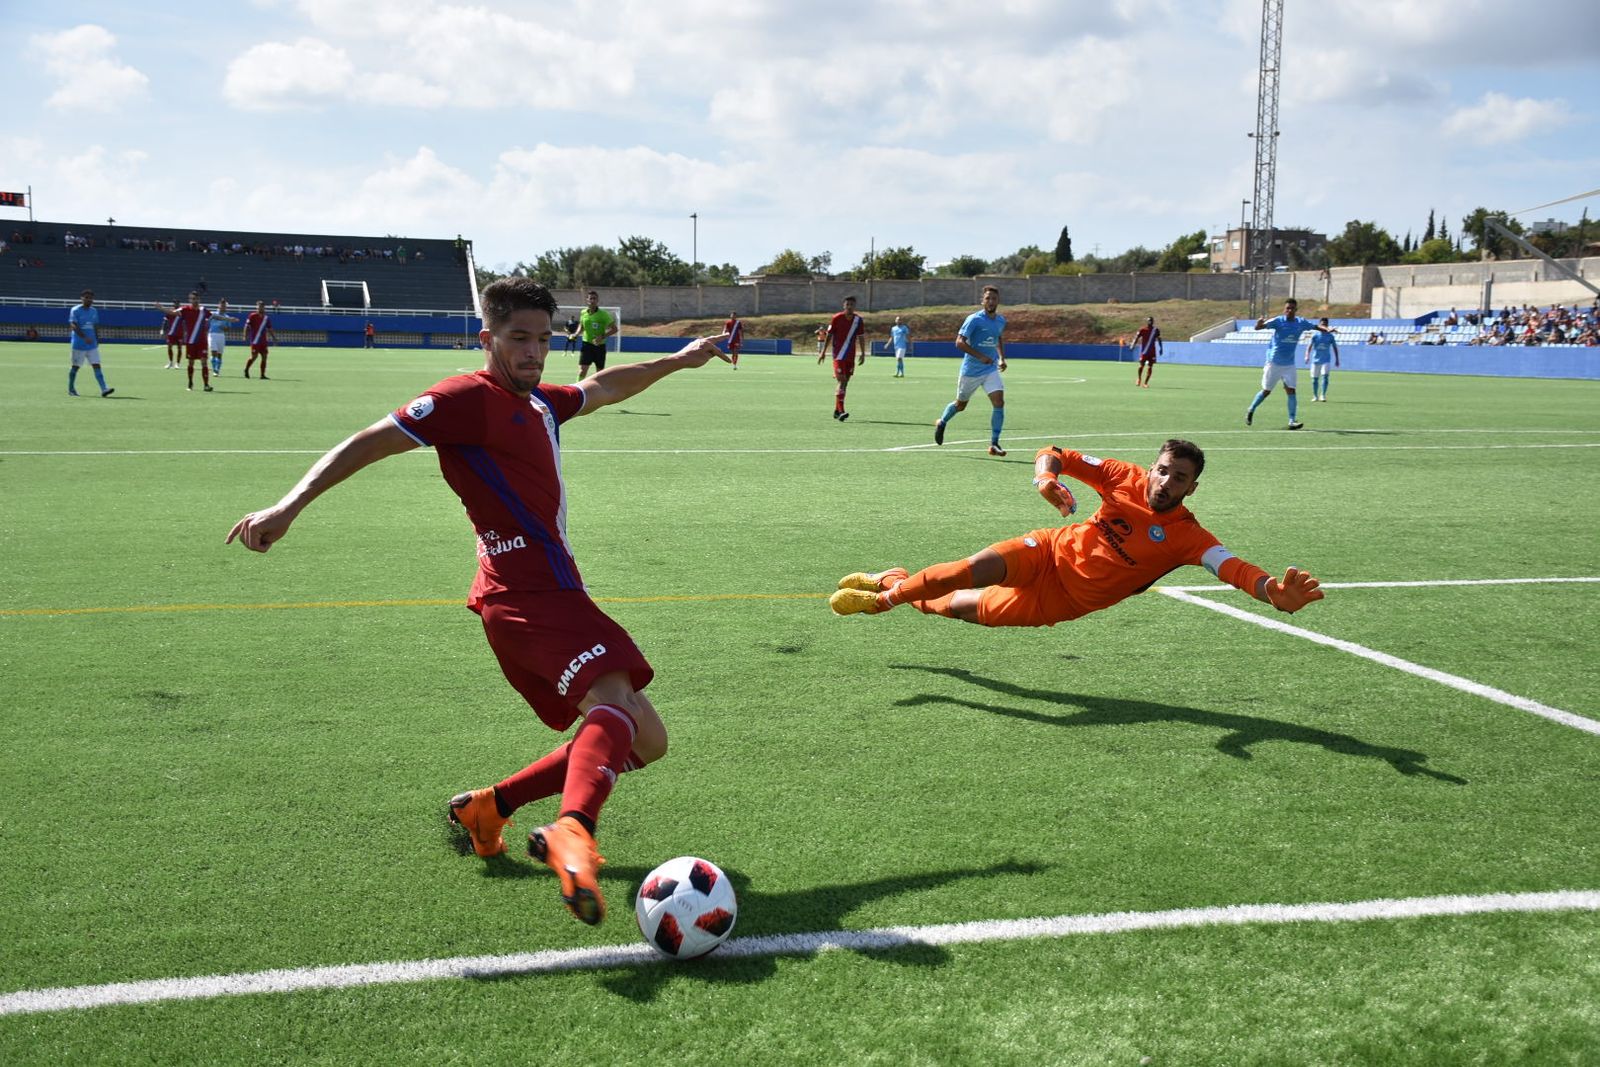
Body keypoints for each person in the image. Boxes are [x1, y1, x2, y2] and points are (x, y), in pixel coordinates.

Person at [225, 277, 731, 928]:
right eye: (518, 338)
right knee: (613, 699)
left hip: (535, 591)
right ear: (487, 338)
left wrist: (680, 360)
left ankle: (489, 807)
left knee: (645, 739)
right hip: (526, 590)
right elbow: (371, 439)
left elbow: (605, 386)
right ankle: (574, 828)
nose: (533, 351)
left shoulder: (539, 402)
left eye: (543, 339)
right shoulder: (464, 398)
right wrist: (288, 506)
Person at [829, 439, 1323, 628]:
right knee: (969, 569)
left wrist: (1271, 592)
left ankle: (895, 580)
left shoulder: (1188, 537)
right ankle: (881, 602)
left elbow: (1232, 568)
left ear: (1191, 488)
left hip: (1062, 601)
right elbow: (1055, 453)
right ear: (1151, 468)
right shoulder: (1123, 476)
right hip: (1048, 551)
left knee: (955, 606)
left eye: (1179, 478)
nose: (1166, 482)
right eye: (1163, 470)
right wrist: (1045, 479)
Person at [934, 285, 1008, 455]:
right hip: (971, 371)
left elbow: (997, 338)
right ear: (982, 301)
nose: (991, 301)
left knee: (999, 402)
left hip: (990, 369)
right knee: (960, 405)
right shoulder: (974, 319)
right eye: (988, 298)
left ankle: (994, 444)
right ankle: (942, 422)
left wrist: (1001, 358)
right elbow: (959, 342)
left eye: (994, 298)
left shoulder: (1001, 321)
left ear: (998, 301)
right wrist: (980, 356)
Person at [1245, 298, 1325, 430]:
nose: (1289, 310)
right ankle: (1251, 409)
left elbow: (1316, 327)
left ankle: (1292, 421)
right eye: (1287, 308)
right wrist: (1258, 324)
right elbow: (1258, 327)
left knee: (1291, 391)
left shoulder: (1301, 322)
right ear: (1284, 309)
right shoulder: (1278, 321)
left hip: (1289, 364)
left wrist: (1327, 329)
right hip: (1274, 362)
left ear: (1296, 310)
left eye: (1292, 308)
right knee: (1266, 391)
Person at [818, 294, 866, 420]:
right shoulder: (836, 318)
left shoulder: (858, 320)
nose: (849, 307)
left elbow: (861, 337)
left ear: (855, 306)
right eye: (847, 304)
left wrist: (863, 353)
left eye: (852, 305)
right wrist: (823, 352)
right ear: (843, 306)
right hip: (838, 355)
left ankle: (836, 410)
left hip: (850, 355)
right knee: (842, 381)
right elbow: (829, 335)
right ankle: (841, 411)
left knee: (846, 382)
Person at [154, 292, 212, 392]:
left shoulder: (203, 310)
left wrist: (228, 319)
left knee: (204, 362)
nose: (195, 300)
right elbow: (172, 313)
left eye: (196, 298)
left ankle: (206, 385)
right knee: (191, 362)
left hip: (202, 341)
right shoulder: (184, 309)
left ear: (199, 299)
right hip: (191, 341)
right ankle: (190, 383)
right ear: (190, 300)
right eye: (193, 299)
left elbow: (215, 316)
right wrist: (161, 308)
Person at [67, 289, 114, 398]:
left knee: (97, 365)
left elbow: (95, 326)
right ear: (82, 298)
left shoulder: (94, 311)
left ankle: (104, 389)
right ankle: (71, 389)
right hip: (79, 345)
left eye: (91, 298)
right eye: (86, 297)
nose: (89, 300)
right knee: (75, 367)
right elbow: (73, 325)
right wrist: (84, 337)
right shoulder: (75, 310)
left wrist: (97, 339)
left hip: (92, 345)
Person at [577, 291, 617, 379]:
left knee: (600, 373)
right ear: (587, 300)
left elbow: (614, 329)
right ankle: (577, 387)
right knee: (582, 370)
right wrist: (576, 333)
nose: (592, 300)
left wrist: (601, 337)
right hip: (586, 345)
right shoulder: (583, 312)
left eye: (594, 298)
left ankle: (599, 388)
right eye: (590, 298)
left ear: (597, 300)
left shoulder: (603, 314)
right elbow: (581, 326)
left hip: (599, 346)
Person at [1305, 317, 1340, 402]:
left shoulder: (1330, 336)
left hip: (1326, 360)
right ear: (1319, 324)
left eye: (1325, 324)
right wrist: (1307, 356)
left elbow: (1335, 348)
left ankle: (1323, 395)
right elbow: (1309, 346)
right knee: (1314, 379)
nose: (1323, 325)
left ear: (1327, 325)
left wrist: (1337, 359)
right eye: (1322, 324)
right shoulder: (1315, 335)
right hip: (1315, 360)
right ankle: (1315, 396)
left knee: (1325, 376)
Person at [243, 300, 276, 379]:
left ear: (264, 308)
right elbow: (246, 326)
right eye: (259, 307)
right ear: (257, 307)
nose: (260, 308)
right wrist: (245, 336)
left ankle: (262, 375)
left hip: (263, 341)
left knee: (264, 356)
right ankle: (246, 369)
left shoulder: (266, 318)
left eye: (262, 307)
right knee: (254, 356)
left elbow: (270, 328)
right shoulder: (252, 316)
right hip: (255, 340)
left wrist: (274, 338)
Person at [209, 299, 238, 376]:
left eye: (225, 306)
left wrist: (225, 328)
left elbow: (228, 328)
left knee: (219, 354)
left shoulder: (227, 317)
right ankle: (214, 370)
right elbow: (207, 321)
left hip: (221, 335)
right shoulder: (213, 314)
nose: (223, 307)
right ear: (219, 305)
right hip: (212, 334)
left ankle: (217, 369)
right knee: (213, 352)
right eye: (222, 305)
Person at [1131, 315, 1163, 388]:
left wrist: (1161, 348)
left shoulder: (1155, 330)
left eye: (1151, 321)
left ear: (1153, 322)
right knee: (1141, 366)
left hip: (1152, 352)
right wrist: (1133, 345)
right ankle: (1139, 378)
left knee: (1150, 367)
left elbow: (1159, 339)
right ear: (1147, 322)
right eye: (1149, 321)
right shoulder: (1143, 330)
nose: (1150, 322)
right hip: (1144, 351)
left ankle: (1145, 383)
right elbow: (1136, 337)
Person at [162, 300, 182, 369]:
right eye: (174, 303)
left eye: (177, 303)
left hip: (179, 333)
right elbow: (165, 321)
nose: (176, 304)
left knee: (179, 348)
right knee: (169, 347)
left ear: (179, 304)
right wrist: (162, 330)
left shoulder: (182, 312)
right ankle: (170, 362)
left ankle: (177, 363)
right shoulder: (170, 311)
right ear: (173, 304)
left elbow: (186, 322)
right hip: (171, 333)